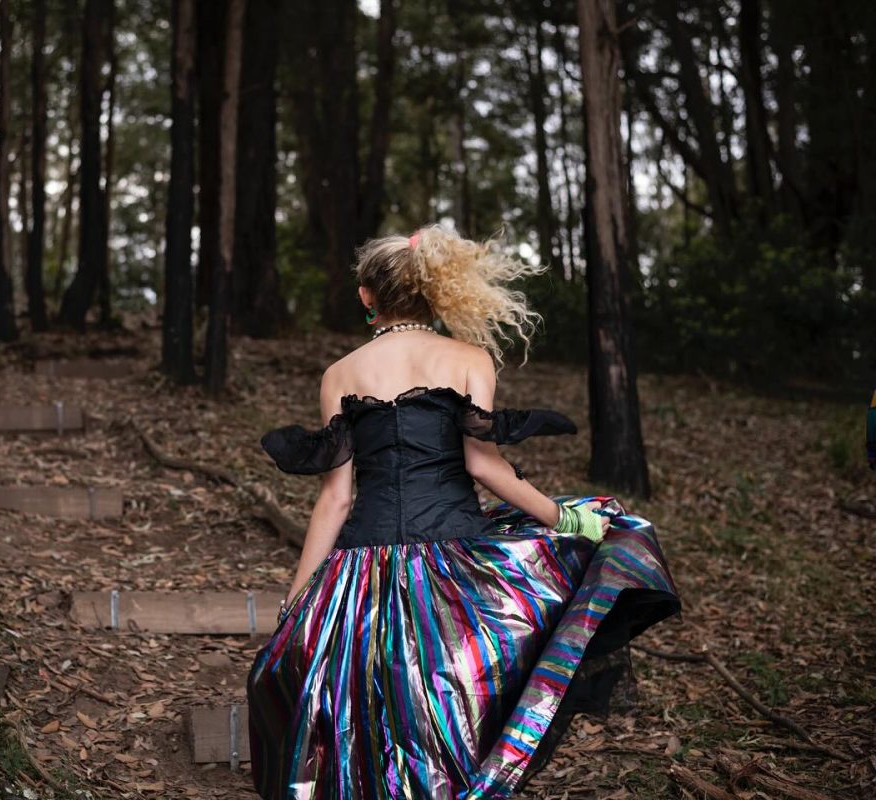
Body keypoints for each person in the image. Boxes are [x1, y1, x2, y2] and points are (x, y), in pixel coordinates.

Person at [246, 224, 681, 800]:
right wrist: (569, 520)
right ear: (435, 293)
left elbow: (337, 496)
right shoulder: (469, 359)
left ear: (367, 295)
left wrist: (298, 596)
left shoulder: (340, 374)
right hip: (457, 563)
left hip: (361, 569)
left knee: (371, 710)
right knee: (451, 706)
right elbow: (486, 468)